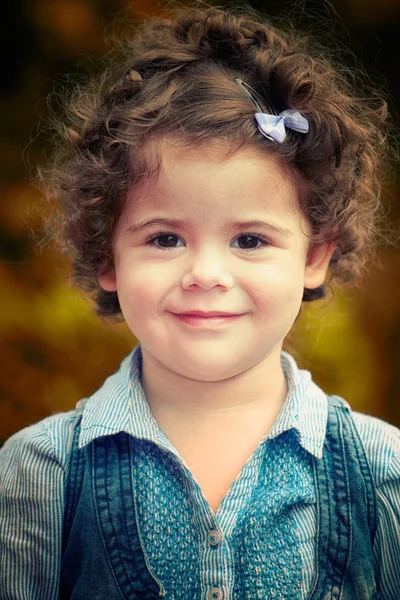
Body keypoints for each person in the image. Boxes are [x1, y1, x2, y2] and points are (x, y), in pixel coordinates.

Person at [1, 2, 399, 599]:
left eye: (249, 239)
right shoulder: (38, 475)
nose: (206, 274)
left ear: (315, 254)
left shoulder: (383, 472)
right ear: (107, 256)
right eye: (165, 238)